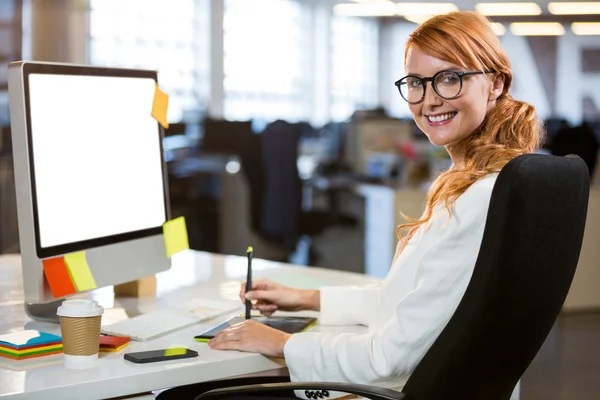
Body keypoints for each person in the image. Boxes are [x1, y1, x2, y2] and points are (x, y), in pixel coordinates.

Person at [157, 10, 542, 400]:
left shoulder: (478, 199)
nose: (428, 100)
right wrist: (306, 298)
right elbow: (407, 304)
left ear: (495, 83)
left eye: (449, 78)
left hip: (393, 391)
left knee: (181, 395)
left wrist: (280, 343)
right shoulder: (480, 185)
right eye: (416, 82)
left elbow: (385, 360)